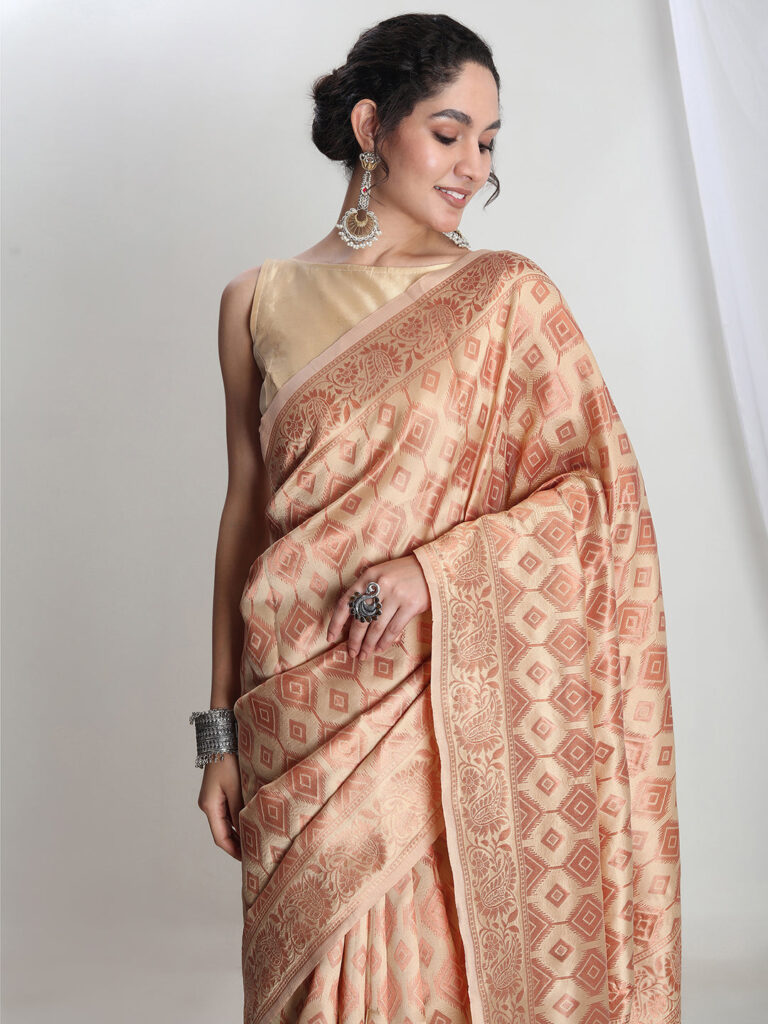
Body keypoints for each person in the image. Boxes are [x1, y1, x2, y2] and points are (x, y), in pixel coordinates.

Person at [191, 13, 682, 1024]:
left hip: (435, 703)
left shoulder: (504, 299)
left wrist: (435, 572)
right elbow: (244, 516)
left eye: (489, 143)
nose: (474, 167)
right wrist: (217, 736)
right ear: (372, 125)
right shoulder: (255, 301)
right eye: (450, 133)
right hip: (295, 707)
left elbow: (598, 498)